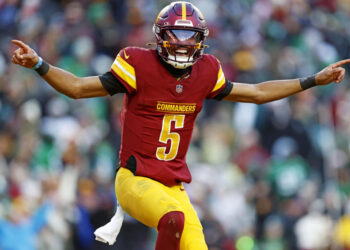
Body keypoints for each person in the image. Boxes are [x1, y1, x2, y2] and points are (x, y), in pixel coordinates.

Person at [10, 1, 350, 249]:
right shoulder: (137, 63)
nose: (183, 43)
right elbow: (77, 88)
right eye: (176, 35)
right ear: (160, 36)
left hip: (173, 187)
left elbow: (258, 92)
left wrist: (312, 81)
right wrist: (39, 63)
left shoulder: (206, 71)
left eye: (190, 37)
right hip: (134, 179)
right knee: (173, 219)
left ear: (202, 39)